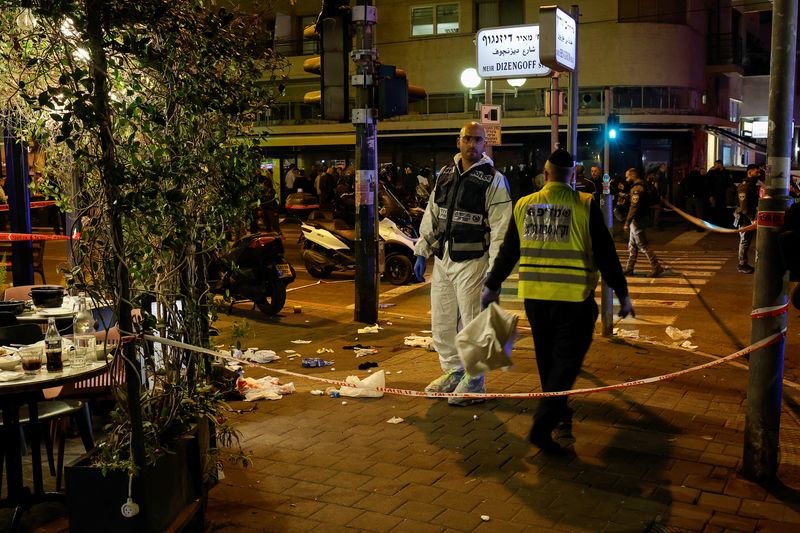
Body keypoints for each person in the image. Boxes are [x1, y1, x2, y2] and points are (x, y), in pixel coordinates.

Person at [480, 148, 634, 454]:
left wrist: (492, 285)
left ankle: (560, 418)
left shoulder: (525, 205)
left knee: (547, 361)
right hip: (574, 300)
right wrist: (622, 293)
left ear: (545, 175)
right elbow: (606, 254)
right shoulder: (584, 204)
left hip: (536, 299)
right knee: (565, 363)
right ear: (573, 177)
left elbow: (509, 251)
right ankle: (545, 422)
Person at [413, 121, 512, 406]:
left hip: (473, 261)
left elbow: (501, 228)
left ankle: (475, 380)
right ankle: (453, 371)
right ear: (458, 141)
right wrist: (422, 250)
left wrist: (494, 272)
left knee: (473, 322)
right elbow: (433, 213)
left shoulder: (493, 179)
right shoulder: (444, 175)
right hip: (444, 259)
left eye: (478, 140)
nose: (472, 145)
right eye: (467, 139)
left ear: (484, 144)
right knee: (443, 321)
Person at [623, 168, 664, 277]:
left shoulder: (637, 188)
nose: (626, 179)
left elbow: (634, 207)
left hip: (638, 219)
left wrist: (627, 222)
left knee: (642, 245)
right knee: (632, 245)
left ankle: (656, 267)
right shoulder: (643, 185)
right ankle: (629, 268)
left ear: (632, 175)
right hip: (638, 219)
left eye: (627, 176)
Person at [735, 164, 760, 274]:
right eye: (756, 172)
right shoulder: (744, 186)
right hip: (745, 218)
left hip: (750, 218)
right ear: (750, 172)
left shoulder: (752, 185)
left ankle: (743, 263)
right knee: (744, 241)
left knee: (747, 240)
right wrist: (752, 219)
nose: (758, 174)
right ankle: (742, 264)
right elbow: (744, 207)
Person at [680, 166, 708, 231]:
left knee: (689, 213)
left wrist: (685, 194)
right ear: (698, 169)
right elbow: (704, 187)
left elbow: (682, 184)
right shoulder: (700, 177)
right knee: (699, 213)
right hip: (697, 197)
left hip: (689, 197)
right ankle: (699, 228)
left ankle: (688, 227)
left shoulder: (688, 176)